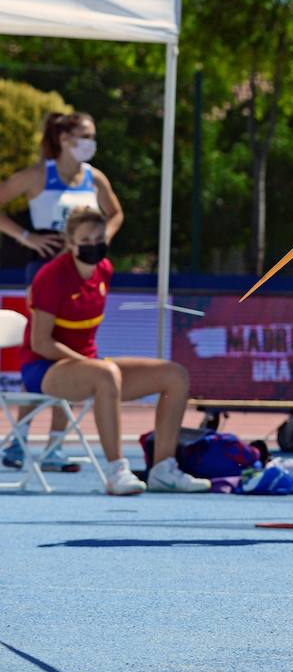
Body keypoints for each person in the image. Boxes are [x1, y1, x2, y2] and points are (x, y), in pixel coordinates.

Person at [15, 207, 209, 495]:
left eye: (99, 238)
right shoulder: (52, 277)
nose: (94, 245)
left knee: (174, 376)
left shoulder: (105, 269)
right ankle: (117, 470)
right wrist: (88, 364)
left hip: (90, 367)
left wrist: (92, 365)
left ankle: (163, 469)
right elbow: (41, 343)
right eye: (85, 239)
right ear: (70, 242)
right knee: (105, 374)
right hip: (43, 369)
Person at [0, 112, 124, 471]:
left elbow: (116, 214)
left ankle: (52, 445)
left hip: (82, 272)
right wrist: (26, 236)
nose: (91, 142)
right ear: (65, 137)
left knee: (75, 353)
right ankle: (20, 440)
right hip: (46, 272)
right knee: (47, 353)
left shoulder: (93, 177)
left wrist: (98, 241)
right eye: (85, 135)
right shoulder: (38, 174)